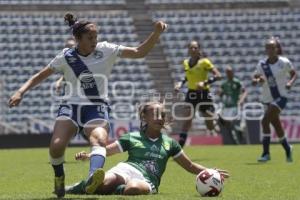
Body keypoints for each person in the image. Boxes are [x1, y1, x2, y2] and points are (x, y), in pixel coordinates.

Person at [8, 13, 168, 198]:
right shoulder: (66, 57)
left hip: (96, 106)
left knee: (99, 139)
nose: (94, 40)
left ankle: (94, 177)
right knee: (57, 146)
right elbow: (39, 76)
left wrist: (156, 33)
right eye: (90, 38)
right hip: (71, 106)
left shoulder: (106, 49)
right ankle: (59, 177)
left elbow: (139, 52)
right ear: (78, 39)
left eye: (96, 37)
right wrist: (21, 91)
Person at [65, 101, 229, 195]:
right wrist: (88, 155)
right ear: (144, 117)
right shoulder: (132, 137)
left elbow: (191, 166)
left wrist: (209, 171)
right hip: (126, 169)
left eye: (162, 115)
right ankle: (80, 187)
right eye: (156, 114)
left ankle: (103, 188)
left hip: (147, 180)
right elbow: (107, 151)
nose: (160, 118)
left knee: (133, 188)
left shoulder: (170, 143)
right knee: (104, 181)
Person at [252, 36, 297, 162]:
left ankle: (266, 153)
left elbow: (294, 74)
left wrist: (290, 83)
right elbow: (255, 78)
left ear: (277, 48)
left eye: (272, 47)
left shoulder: (284, 62)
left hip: (281, 97)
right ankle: (288, 148)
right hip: (267, 98)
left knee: (264, 121)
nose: (270, 50)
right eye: (267, 48)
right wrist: (257, 80)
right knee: (277, 126)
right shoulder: (262, 64)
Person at [174, 40, 222, 147]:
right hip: (191, 93)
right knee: (187, 120)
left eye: (195, 47)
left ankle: (215, 120)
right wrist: (180, 84)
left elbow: (218, 75)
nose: (193, 49)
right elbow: (187, 76)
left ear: (199, 49)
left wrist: (205, 82)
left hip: (204, 93)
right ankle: (179, 149)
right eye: (191, 47)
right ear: (188, 49)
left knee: (209, 126)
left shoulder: (205, 62)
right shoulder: (186, 62)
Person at [218, 66, 247, 144]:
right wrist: (220, 93)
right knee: (228, 124)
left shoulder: (237, 82)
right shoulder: (224, 84)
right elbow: (220, 93)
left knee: (232, 123)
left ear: (232, 72)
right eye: (227, 72)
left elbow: (244, 91)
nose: (228, 74)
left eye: (230, 72)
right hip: (226, 107)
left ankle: (239, 131)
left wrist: (241, 100)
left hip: (234, 106)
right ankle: (236, 136)